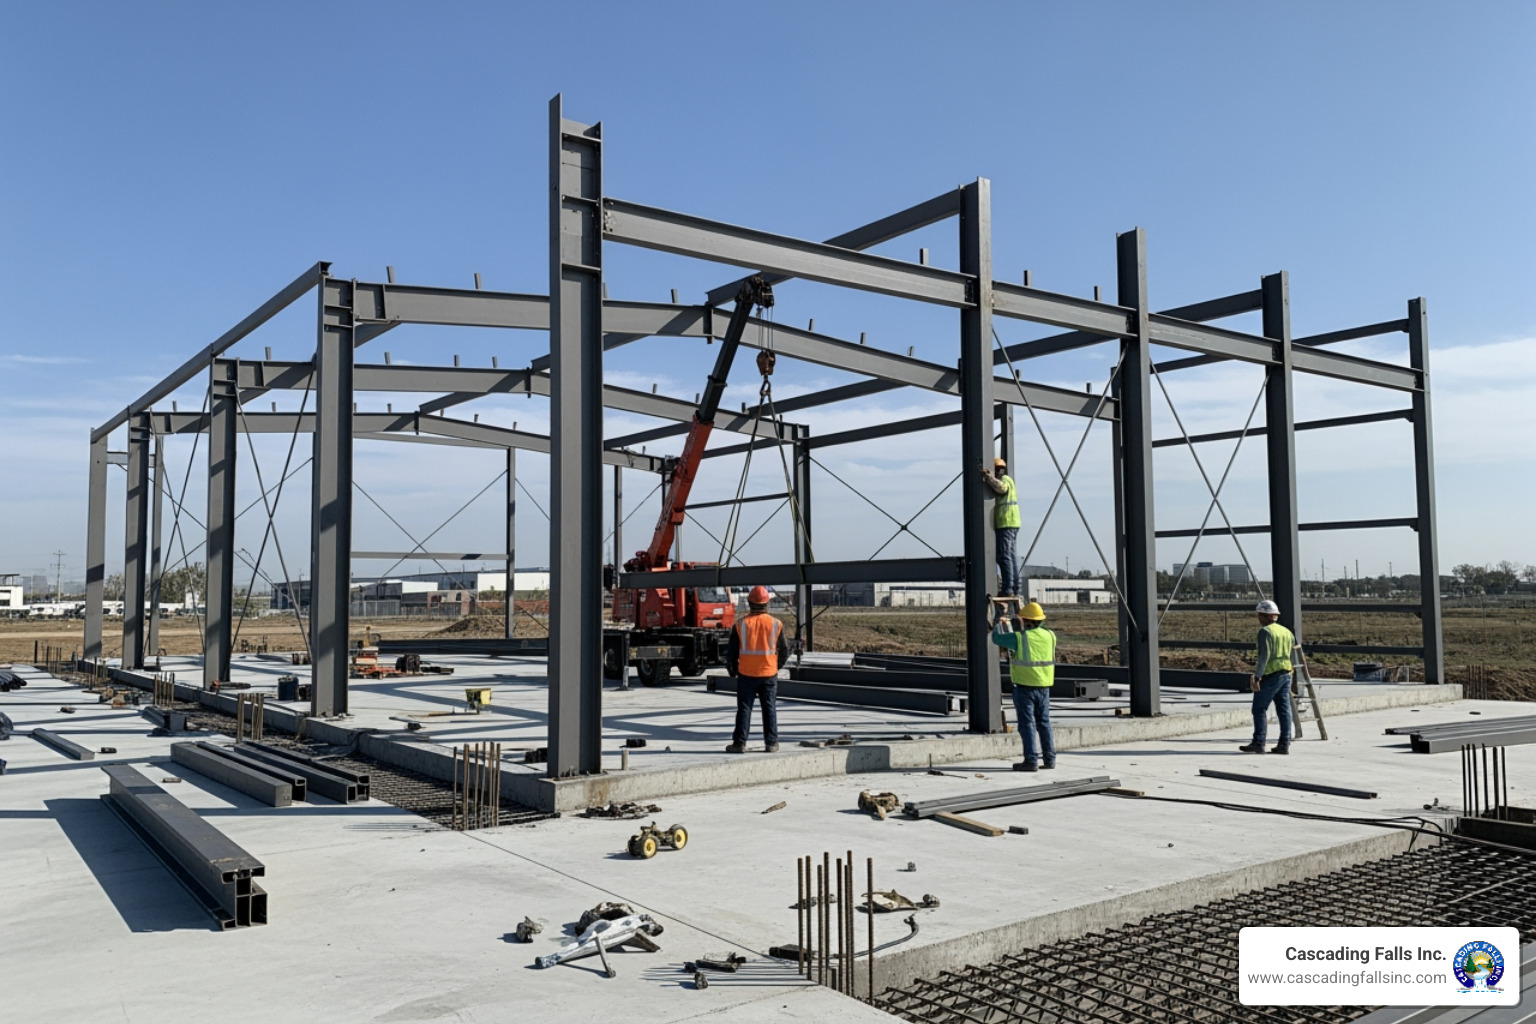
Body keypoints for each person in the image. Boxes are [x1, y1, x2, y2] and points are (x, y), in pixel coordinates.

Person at [992, 601, 1055, 771]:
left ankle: (1031, 761)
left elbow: (996, 638)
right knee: (1044, 723)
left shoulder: (1019, 638)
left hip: (1024, 688)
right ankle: (1049, 759)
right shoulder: (1051, 636)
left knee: (1027, 724)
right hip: (1044, 687)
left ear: (1026, 620)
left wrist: (999, 620)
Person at [725, 585, 789, 754]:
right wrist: (775, 667)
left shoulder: (740, 625)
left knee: (744, 708)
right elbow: (784, 651)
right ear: (766, 602)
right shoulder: (776, 624)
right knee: (769, 708)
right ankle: (771, 743)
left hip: (746, 674)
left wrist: (732, 671)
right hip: (768, 674)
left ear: (749, 602)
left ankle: (739, 743)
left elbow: (731, 653)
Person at [1241, 599, 1295, 754]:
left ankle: (1259, 741)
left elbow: (1264, 657)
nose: (1258, 618)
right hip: (1286, 673)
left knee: (1259, 708)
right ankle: (1284, 744)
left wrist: (1257, 677)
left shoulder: (1265, 632)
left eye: (1259, 615)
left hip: (1271, 675)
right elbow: (1291, 654)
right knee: (1284, 709)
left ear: (1265, 615)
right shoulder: (1287, 632)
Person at [979, 457, 1021, 597]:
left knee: (1004, 556)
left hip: (1006, 522)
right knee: (1011, 556)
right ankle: (1014, 586)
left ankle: (1008, 588)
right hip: (1011, 523)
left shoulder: (1006, 480)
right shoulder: (1009, 479)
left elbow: (1001, 488)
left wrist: (988, 478)